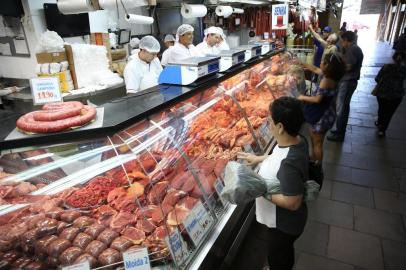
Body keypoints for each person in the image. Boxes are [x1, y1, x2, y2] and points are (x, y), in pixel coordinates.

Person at [232, 97, 308, 270]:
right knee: (283, 252)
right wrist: (258, 158)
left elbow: (293, 202)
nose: (268, 123)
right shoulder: (297, 141)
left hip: (283, 225)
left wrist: (261, 189)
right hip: (286, 223)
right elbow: (279, 157)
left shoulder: (289, 164)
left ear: (280, 127)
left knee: (278, 254)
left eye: (270, 120)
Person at [298, 53, 346, 164]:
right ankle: (313, 159)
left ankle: (317, 166)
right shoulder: (330, 75)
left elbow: (317, 99)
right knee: (314, 138)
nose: (320, 63)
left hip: (322, 115)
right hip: (325, 112)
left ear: (328, 66)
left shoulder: (327, 80)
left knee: (318, 143)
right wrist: (301, 63)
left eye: (323, 62)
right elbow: (315, 69)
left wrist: (301, 97)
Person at [328, 31, 364, 142]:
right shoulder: (353, 49)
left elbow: (348, 66)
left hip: (347, 82)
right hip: (347, 81)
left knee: (341, 108)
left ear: (346, 40)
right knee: (343, 107)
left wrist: (334, 70)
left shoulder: (353, 49)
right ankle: (339, 130)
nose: (341, 43)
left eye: (342, 40)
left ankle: (339, 134)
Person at [373, 51, 406, 137]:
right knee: (389, 113)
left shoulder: (386, 67)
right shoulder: (403, 70)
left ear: (393, 58)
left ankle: (380, 122)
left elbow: (377, 78)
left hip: (383, 94)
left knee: (382, 110)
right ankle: (382, 130)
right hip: (397, 96)